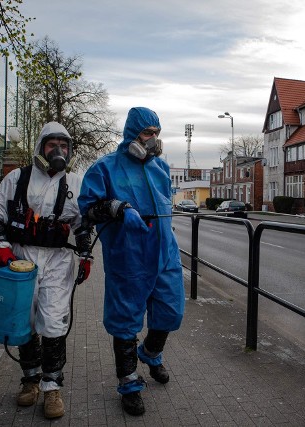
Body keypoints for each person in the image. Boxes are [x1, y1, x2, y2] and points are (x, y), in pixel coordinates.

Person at [78, 107, 184, 416]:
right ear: (132, 134)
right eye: (148, 133)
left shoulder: (161, 169)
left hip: (165, 254)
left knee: (171, 310)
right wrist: (118, 208)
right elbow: (88, 209)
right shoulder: (105, 168)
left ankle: (150, 353)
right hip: (129, 258)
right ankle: (129, 382)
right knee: (125, 321)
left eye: (157, 134)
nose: (153, 140)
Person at [0, 122, 93, 419]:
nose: (58, 150)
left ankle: (52, 386)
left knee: (54, 321)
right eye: (52, 144)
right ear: (40, 147)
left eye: (63, 144)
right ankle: (30, 380)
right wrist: (0, 244)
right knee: (26, 320)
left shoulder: (75, 183)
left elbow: (82, 224)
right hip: (21, 259)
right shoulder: (17, 179)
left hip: (58, 261)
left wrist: (86, 255)